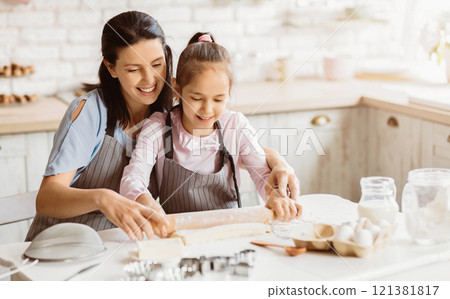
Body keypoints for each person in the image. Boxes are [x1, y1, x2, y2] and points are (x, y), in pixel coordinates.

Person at [25, 11, 299, 242]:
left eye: (157, 65)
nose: (150, 80)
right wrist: (103, 198)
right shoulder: (91, 112)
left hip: (123, 243)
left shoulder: (171, 109)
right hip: (63, 243)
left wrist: (276, 162)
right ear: (111, 67)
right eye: (134, 69)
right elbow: (47, 198)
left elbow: (222, 142)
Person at [120, 32, 302, 223]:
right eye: (196, 98)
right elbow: (132, 179)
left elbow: (263, 174)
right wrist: (145, 201)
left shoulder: (236, 126)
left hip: (231, 230)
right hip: (177, 233)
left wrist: (275, 196)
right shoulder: (157, 128)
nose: (207, 109)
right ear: (176, 89)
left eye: (218, 99)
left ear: (229, 93)